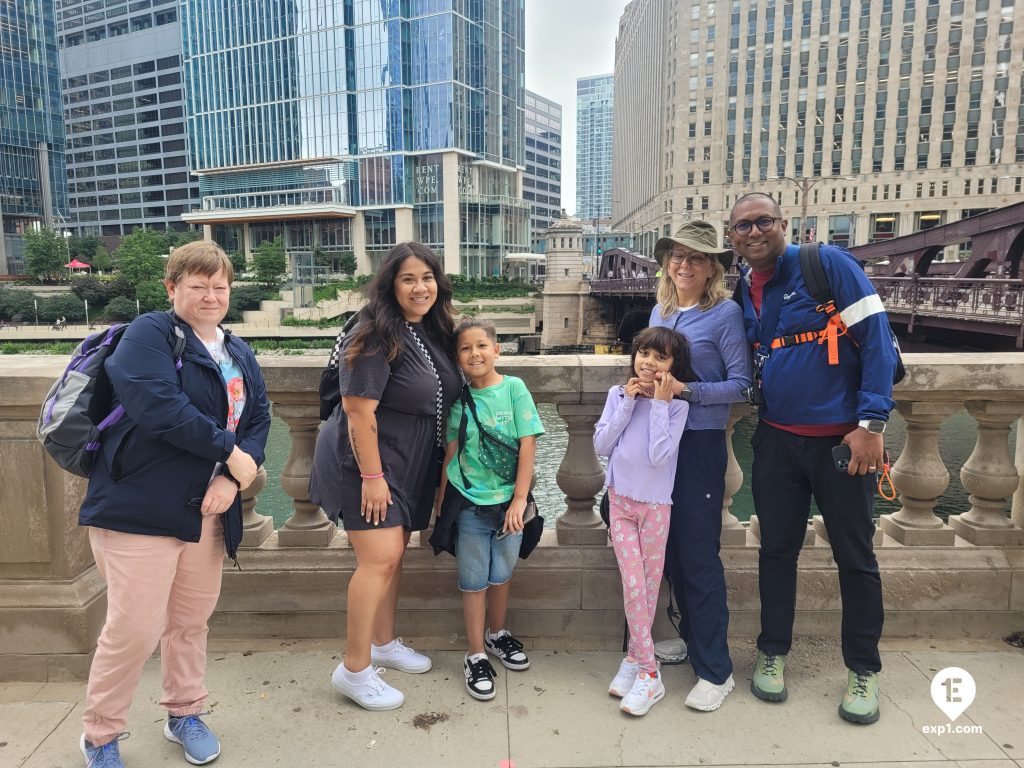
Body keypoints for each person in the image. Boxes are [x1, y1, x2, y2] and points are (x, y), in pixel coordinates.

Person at [77, 241, 270, 768]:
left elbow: (258, 422)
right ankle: (100, 734)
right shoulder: (150, 334)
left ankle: (184, 712)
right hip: (139, 505)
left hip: (207, 508)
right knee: (133, 628)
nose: (210, 295)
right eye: (198, 284)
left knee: (189, 621)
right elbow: (159, 406)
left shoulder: (238, 351)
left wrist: (232, 480)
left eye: (220, 286)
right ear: (172, 287)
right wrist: (231, 453)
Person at [728, 192, 899, 724]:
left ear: (784, 224)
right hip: (777, 440)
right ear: (731, 237)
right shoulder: (743, 287)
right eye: (741, 227)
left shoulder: (827, 264)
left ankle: (863, 669)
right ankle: (773, 651)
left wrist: (871, 426)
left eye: (762, 222)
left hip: (841, 444)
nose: (753, 233)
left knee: (856, 557)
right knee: (776, 552)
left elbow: (874, 341)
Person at [310, 242, 461, 711]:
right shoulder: (374, 333)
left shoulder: (431, 330)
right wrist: (371, 476)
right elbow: (357, 412)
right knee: (378, 559)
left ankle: (382, 643)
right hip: (366, 459)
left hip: (410, 460)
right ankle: (354, 670)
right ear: (390, 284)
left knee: (395, 556)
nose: (421, 287)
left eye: (428, 277)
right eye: (408, 279)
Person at [647, 219, 752, 711]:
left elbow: (742, 385)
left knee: (698, 555)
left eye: (695, 257)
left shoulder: (725, 314)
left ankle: (717, 670)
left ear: (712, 267)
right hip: (656, 447)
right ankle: (690, 640)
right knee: (666, 551)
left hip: (699, 446)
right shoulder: (661, 310)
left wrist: (687, 391)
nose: (683, 264)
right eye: (677, 256)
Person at [435, 317, 544, 701]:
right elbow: (452, 454)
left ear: (497, 350)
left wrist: (519, 498)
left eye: (482, 345)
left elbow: (528, 445)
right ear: (457, 358)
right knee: (474, 581)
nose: (474, 353)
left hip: (509, 508)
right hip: (470, 508)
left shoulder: (515, 388)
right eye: (465, 348)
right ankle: (475, 654)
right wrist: (440, 505)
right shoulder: (459, 402)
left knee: (502, 574)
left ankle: (497, 635)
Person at [594, 326, 692, 716]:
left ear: (672, 366)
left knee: (647, 589)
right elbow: (602, 446)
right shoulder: (618, 395)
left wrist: (660, 405)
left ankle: (637, 661)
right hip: (620, 502)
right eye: (643, 354)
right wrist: (627, 405)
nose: (649, 363)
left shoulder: (678, 407)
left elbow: (659, 456)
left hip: (655, 507)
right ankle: (648, 670)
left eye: (660, 357)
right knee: (634, 584)